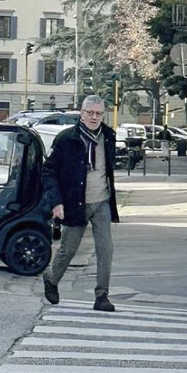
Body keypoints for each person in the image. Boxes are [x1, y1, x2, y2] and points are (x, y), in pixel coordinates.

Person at [41, 95, 119, 311]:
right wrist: (56, 202)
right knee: (68, 249)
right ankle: (52, 279)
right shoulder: (66, 139)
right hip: (75, 203)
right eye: (89, 113)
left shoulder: (109, 136)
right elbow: (48, 172)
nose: (94, 117)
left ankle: (102, 296)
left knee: (106, 249)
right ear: (81, 113)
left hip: (102, 201)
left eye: (98, 113)